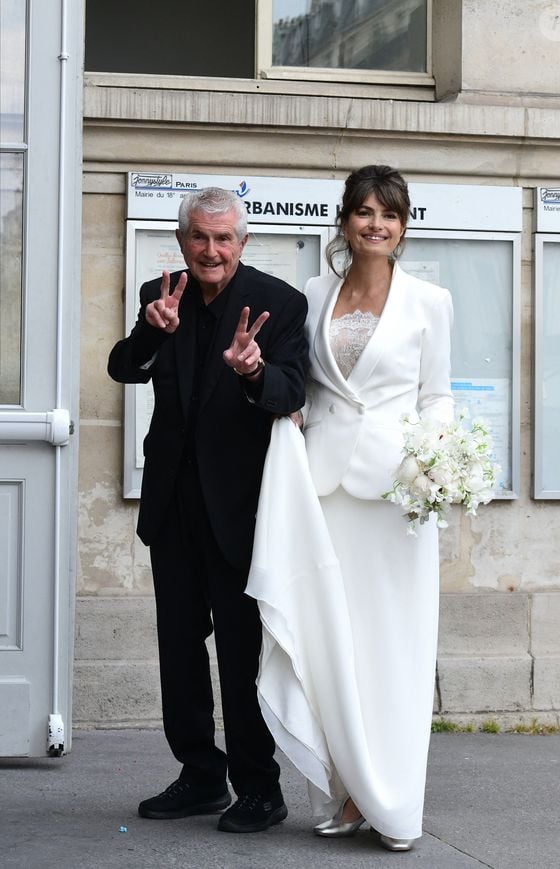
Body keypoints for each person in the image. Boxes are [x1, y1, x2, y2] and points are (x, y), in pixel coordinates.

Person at [247, 165, 454, 851]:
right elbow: (301, 382)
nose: (376, 224)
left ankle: (390, 799)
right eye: (364, 212)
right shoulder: (313, 291)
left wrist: (437, 462)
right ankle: (346, 792)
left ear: (402, 224)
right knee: (333, 641)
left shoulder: (430, 301)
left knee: (391, 648)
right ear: (344, 222)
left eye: (389, 214)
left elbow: (438, 397)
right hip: (324, 490)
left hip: (397, 497)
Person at [107, 187, 309, 834]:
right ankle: (199, 774)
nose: (212, 250)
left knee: (240, 654)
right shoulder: (160, 293)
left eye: (224, 239)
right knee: (180, 649)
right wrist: (147, 328)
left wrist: (254, 372)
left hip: (242, 513)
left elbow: (291, 390)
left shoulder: (280, 302)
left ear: (242, 243)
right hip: (173, 507)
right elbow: (122, 367)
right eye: (200, 237)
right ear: (182, 241)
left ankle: (260, 786)